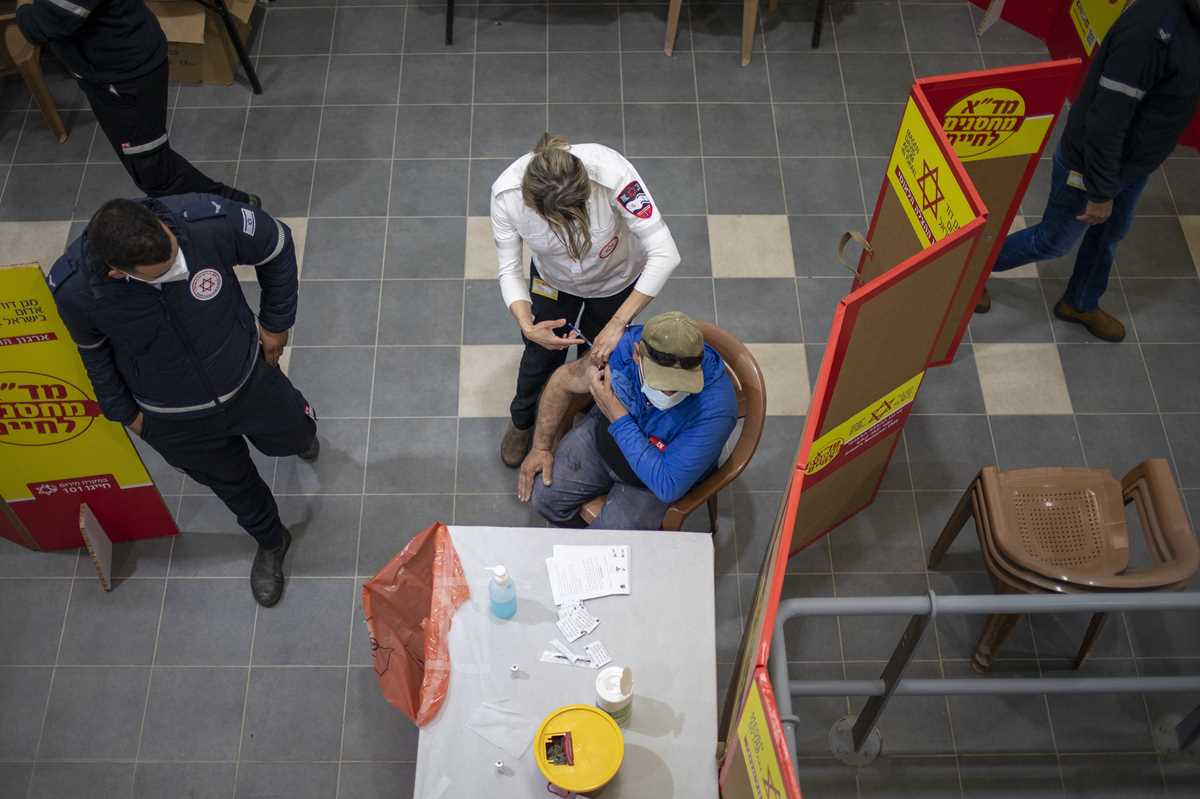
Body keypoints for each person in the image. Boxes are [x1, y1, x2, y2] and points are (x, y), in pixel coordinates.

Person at [49, 196, 312, 607]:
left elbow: (275, 243)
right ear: (118, 272)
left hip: (249, 380)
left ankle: (302, 439)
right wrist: (128, 415)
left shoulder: (204, 223)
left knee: (297, 432)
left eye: (175, 253)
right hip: (175, 421)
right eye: (166, 271)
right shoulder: (75, 290)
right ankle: (271, 540)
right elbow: (93, 353)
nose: (181, 268)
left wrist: (276, 323)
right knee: (234, 487)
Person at [978, 0, 1200, 342]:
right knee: (1052, 241)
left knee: (1109, 234)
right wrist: (1101, 190)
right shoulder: (1149, 32)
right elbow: (1106, 121)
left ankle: (1079, 303)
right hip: (1092, 164)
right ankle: (968, 276)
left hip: (1132, 164)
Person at [492, 133, 681, 468]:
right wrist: (527, 325)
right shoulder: (506, 196)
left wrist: (618, 322)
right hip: (552, 283)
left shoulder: (613, 174)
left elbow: (665, 253)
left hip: (616, 281)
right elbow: (508, 269)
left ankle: (583, 415)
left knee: (598, 355)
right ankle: (523, 421)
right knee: (538, 357)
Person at [15, 0, 258, 204]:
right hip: (108, 71)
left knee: (154, 171)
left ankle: (237, 207)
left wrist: (22, 7)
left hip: (125, 79)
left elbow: (41, 24)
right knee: (147, 165)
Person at [517, 312, 737, 531]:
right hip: (602, 439)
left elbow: (668, 485)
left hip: (653, 479)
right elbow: (562, 380)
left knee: (612, 546)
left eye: (681, 384)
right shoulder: (620, 347)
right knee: (544, 498)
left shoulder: (717, 408)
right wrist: (540, 447)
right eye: (660, 381)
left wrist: (617, 415)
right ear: (637, 354)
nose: (669, 393)